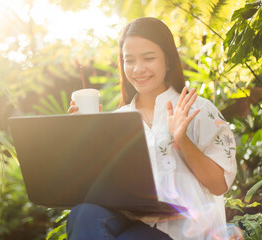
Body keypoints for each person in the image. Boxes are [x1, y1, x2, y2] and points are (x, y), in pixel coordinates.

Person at [67, 17, 237, 240]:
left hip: (184, 230)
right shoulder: (118, 120)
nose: (138, 69)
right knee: (82, 215)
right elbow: (97, 189)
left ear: (168, 61)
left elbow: (219, 185)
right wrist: (85, 134)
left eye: (148, 58)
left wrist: (182, 139)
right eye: (129, 60)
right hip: (131, 220)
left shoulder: (198, 110)